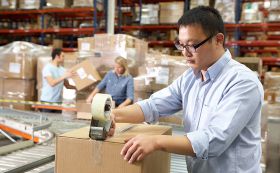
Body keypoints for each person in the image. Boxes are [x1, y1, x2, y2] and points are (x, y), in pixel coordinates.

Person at [110, 6, 263, 173]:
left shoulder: (242, 81)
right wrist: (113, 115)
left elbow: (214, 140)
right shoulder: (190, 78)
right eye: (181, 45)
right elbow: (153, 106)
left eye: (192, 45)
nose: (185, 53)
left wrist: (156, 142)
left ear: (218, 40)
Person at [40, 48, 76, 113]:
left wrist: (77, 88)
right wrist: (64, 76)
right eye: (62, 56)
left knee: (57, 122)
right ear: (57, 56)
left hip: (58, 102)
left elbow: (67, 86)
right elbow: (52, 83)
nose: (64, 58)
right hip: (47, 101)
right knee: (46, 122)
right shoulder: (47, 68)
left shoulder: (62, 70)